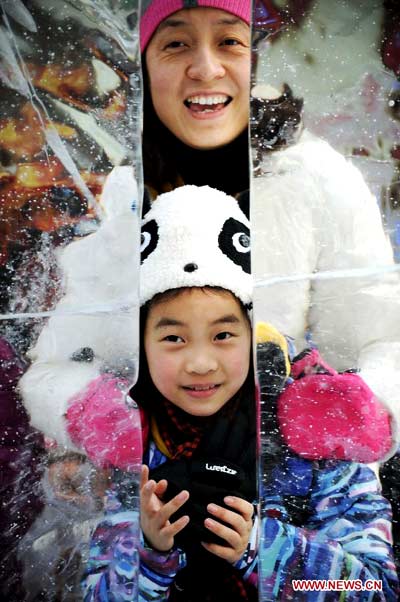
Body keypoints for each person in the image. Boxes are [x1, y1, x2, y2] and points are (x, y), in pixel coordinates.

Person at [76, 185, 398, 601]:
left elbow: (375, 590)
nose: (200, 362)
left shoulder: (317, 444)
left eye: (223, 335)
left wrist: (262, 547)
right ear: (143, 348)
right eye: (173, 337)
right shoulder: (140, 450)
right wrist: (150, 553)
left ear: (254, 335)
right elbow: (95, 595)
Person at [139, 0, 400, 434]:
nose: (205, 68)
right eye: (177, 44)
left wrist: (363, 407)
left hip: (291, 476)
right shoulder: (132, 185)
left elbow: (377, 331)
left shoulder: (311, 174)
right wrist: (83, 419)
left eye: (228, 41)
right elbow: (80, 349)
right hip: (159, 475)